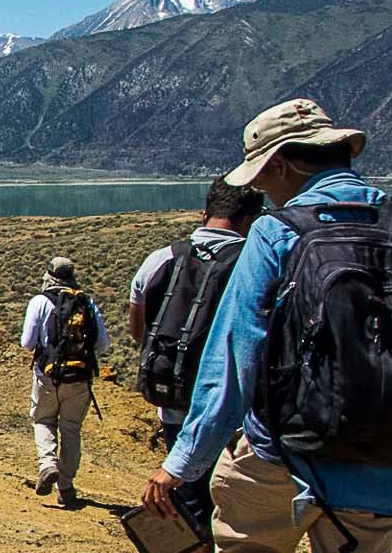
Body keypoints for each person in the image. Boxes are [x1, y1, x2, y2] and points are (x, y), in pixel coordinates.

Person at [138, 99, 392, 552]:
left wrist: (183, 463)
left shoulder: (276, 233)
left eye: (264, 175)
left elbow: (234, 359)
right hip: (383, 467)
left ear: (281, 163)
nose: (266, 192)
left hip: (280, 459)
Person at [127, 178, 260, 530]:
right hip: (236, 414)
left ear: (204, 212)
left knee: (191, 505)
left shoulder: (160, 259)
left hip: (173, 400)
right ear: (251, 219)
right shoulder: (256, 265)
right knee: (234, 510)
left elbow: (140, 332)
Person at [20, 256, 109, 507]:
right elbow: (103, 344)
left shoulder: (40, 301)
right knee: (71, 429)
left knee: (43, 420)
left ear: (48, 275)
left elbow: (27, 342)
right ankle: (66, 488)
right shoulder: (86, 302)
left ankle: (47, 465)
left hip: (48, 376)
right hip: (79, 377)